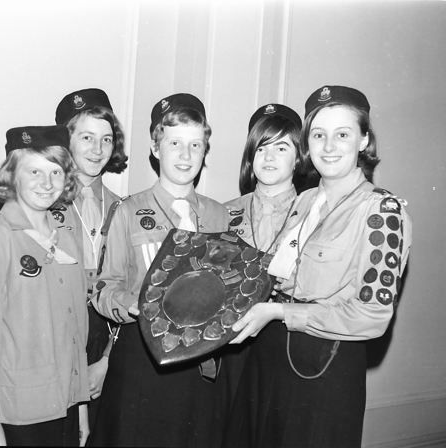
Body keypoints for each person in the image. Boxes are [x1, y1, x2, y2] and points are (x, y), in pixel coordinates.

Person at [223, 85, 413, 447]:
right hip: (268, 359)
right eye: (318, 135)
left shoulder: (381, 212)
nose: (329, 146)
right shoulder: (303, 200)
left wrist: (280, 311)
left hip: (325, 368)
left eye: (342, 134)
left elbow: (371, 317)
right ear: (307, 145)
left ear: (363, 141)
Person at [88, 93, 230, 447]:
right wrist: (133, 303)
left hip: (201, 358)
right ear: (155, 148)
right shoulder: (128, 211)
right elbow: (103, 289)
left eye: (195, 145)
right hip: (143, 357)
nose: (185, 155)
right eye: (175, 143)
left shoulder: (220, 216)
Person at [0, 125, 90, 446]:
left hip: (67, 405)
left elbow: (76, 334)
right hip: (18, 411)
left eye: (56, 172)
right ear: (12, 176)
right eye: (34, 171)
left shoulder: (68, 239)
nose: (47, 184)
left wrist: (82, 412)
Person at [54, 88, 128, 428]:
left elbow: (130, 291)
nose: (97, 150)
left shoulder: (125, 209)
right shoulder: (41, 206)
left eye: (106, 139)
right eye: (86, 137)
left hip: (106, 336)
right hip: (53, 337)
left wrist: (107, 359)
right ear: (66, 140)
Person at [223, 103, 305, 396]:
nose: (269, 157)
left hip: (286, 346)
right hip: (229, 348)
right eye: (261, 148)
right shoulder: (223, 213)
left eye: (281, 148)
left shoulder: (314, 215)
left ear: (299, 157)